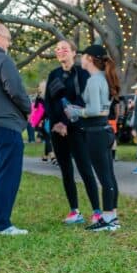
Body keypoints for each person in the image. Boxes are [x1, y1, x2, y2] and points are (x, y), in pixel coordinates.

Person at [63, 44, 121, 231]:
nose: (80, 59)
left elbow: (95, 110)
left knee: (104, 177)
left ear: (89, 58)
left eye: (82, 56)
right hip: (103, 130)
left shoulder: (95, 80)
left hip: (96, 132)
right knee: (109, 175)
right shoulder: (103, 78)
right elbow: (102, 108)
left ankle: (107, 218)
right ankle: (112, 215)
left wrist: (77, 111)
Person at [45, 38, 102, 224]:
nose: (60, 51)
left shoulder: (83, 74)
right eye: (57, 49)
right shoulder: (53, 74)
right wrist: (55, 124)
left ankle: (96, 211)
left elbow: (81, 100)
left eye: (64, 48)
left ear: (73, 52)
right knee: (66, 171)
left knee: (85, 169)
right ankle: (74, 211)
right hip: (57, 131)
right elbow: (49, 102)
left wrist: (64, 122)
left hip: (78, 128)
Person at [0, 22, 31, 237]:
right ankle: (1, 224)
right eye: (7, 39)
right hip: (5, 125)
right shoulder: (2, 59)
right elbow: (15, 89)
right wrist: (28, 108)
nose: (8, 44)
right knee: (7, 174)